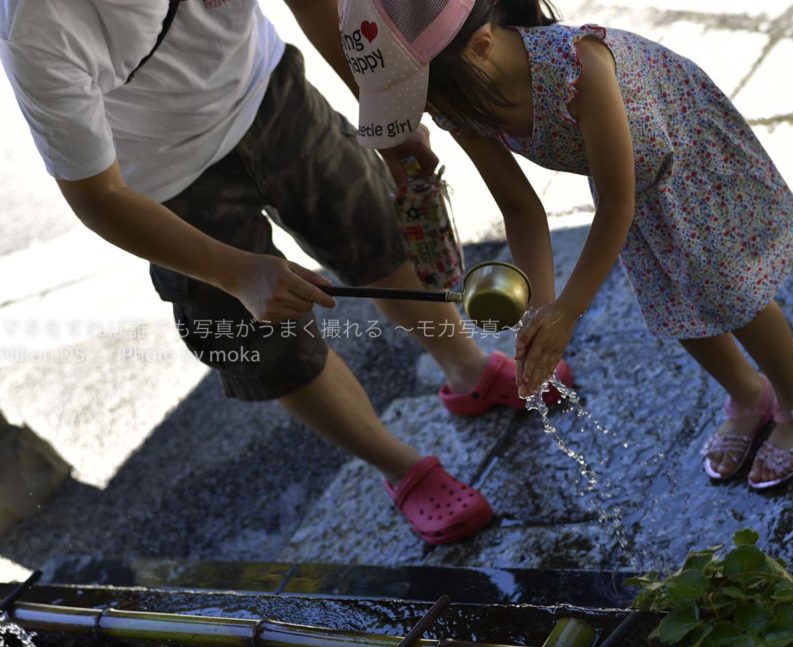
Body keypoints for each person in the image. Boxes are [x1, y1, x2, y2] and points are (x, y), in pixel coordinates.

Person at [0, 0, 571, 545]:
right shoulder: (37, 26)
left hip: (268, 89)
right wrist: (237, 273)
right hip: (160, 179)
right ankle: (400, 467)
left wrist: (383, 118)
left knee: (378, 232)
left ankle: (469, 370)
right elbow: (97, 195)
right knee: (267, 346)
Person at [339, 0, 793, 489]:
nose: (428, 111)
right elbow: (521, 210)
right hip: (632, 184)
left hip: (684, 156)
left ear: (481, 45)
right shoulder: (461, 101)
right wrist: (541, 308)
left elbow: (616, 206)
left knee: (729, 290)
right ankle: (747, 396)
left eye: (424, 93)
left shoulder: (580, 67)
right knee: (669, 298)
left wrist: (569, 311)